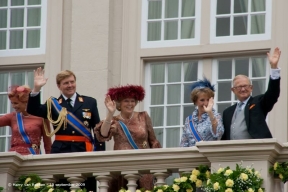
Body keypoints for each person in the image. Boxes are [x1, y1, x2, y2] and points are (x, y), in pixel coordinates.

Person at [26, 67, 104, 191]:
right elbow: (32, 110)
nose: (70, 85)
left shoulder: (90, 102)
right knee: (62, 187)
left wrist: (100, 154)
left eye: (72, 82)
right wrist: (37, 88)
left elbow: (97, 131)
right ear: (59, 86)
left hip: (85, 151)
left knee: (87, 186)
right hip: (61, 151)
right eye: (66, 83)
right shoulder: (53, 104)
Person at [94, 84, 161, 191]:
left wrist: (157, 165)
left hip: (143, 165)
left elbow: (153, 141)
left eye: (132, 101)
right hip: (121, 165)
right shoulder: (114, 120)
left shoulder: (143, 116)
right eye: (126, 101)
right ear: (119, 103)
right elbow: (103, 134)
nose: (130, 104)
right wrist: (110, 113)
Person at [221, 47, 281, 140]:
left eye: (246, 86)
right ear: (233, 90)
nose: (243, 89)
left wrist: (274, 68)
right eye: (239, 87)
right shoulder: (227, 112)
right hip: (233, 151)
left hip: (255, 150)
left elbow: (273, 94)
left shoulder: (258, 103)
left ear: (251, 88)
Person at [0, 85, 51, 155]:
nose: (13, 106)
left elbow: (48, 144)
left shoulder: (42, 117)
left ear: (26, 102)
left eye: (16, 103)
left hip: (33, 157)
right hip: (15, 158)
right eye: (12, 103)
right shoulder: (12, 117)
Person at [180, 78, 224, 147]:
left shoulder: (216, 116)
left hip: (208, 155)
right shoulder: (189, 120)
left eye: (208, 100)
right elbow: (184, 143)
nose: (206, 103)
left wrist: (210, 113)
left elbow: (219, 134)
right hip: (192, 156)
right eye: (202, 100)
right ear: (195, 101)